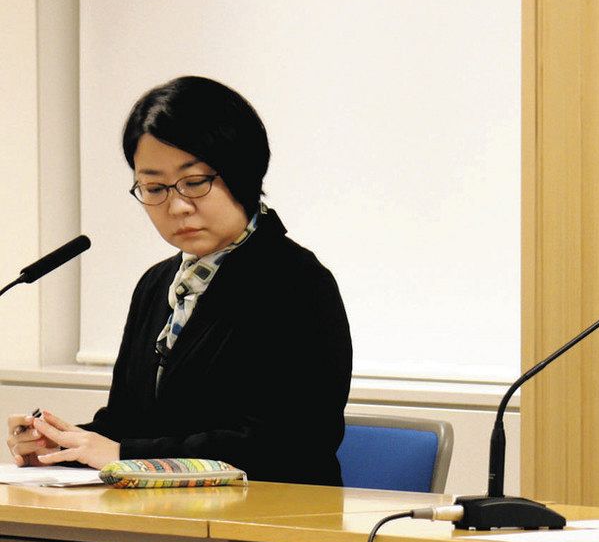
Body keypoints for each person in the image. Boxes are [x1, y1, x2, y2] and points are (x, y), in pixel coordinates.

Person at [7, 76, 352, 486]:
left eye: (195, 182)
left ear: (242, 172)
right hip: (162, 512)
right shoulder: (156, 284)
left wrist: (124, 455)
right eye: (154, 187)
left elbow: (288, 443)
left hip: (270, 514)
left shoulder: (297, 283)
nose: (177, 206)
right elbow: (129, 423)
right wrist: (62, 446)